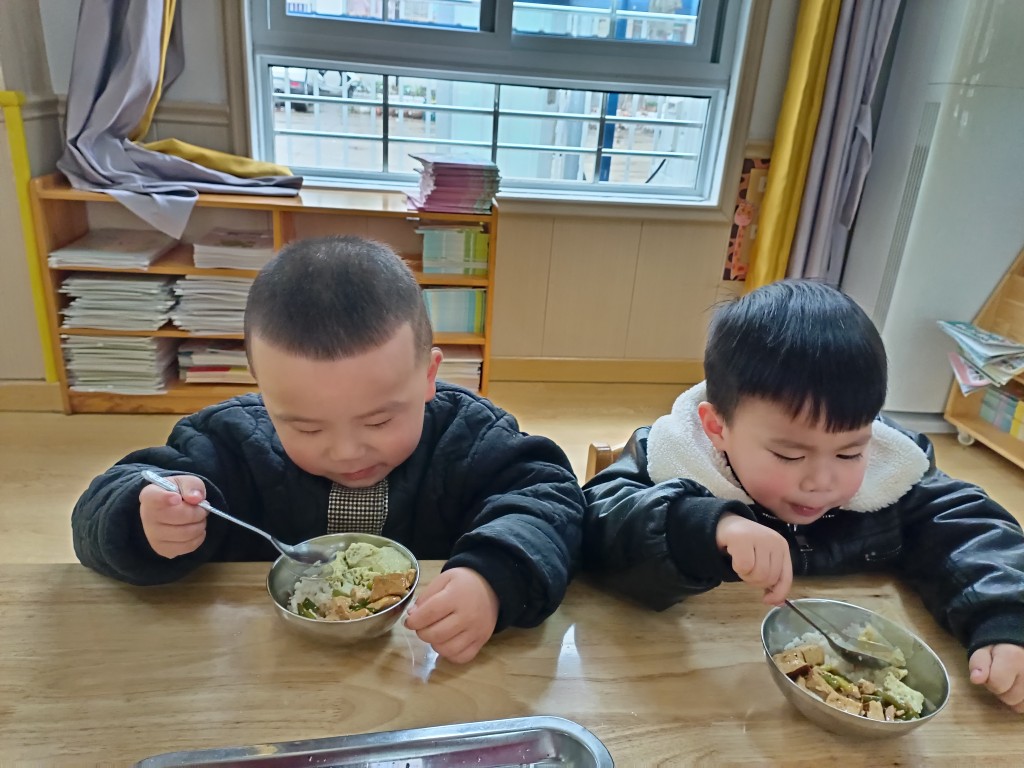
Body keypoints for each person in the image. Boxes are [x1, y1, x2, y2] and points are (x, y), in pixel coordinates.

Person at [72, 235, 585, 664]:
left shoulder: (469, 437)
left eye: (379, 420)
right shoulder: (229, 441)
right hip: (269, 675)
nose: (346, 451)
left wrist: (493, 577)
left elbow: (550, 498)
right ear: (264, 392)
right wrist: (142, 518)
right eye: (306, 427)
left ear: (429, 375)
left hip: (421, 676)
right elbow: (105, 506)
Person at [582, 280, 1024, 712]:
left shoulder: (893, 472)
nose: (822, 481)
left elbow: (971, 530)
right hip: (695, 692)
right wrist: (703, 526)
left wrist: (1005, 618)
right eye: (789, 455)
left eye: (849, 453)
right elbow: (598, 525)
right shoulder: (675, 457)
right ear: (718, 428)